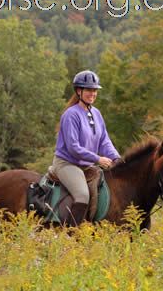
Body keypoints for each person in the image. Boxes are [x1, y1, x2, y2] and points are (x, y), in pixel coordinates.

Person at [53, 70, 121, 226]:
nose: (93, 93)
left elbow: (104, 141)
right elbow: (73, 148)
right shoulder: (71, 115)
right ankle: (71, 234)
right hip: (67, 164)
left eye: (95, 90)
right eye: (89, 90)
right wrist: (98, 159)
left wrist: (116, 158)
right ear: (79, 91)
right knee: (83, 195)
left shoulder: (96, 113)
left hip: (86, 165)